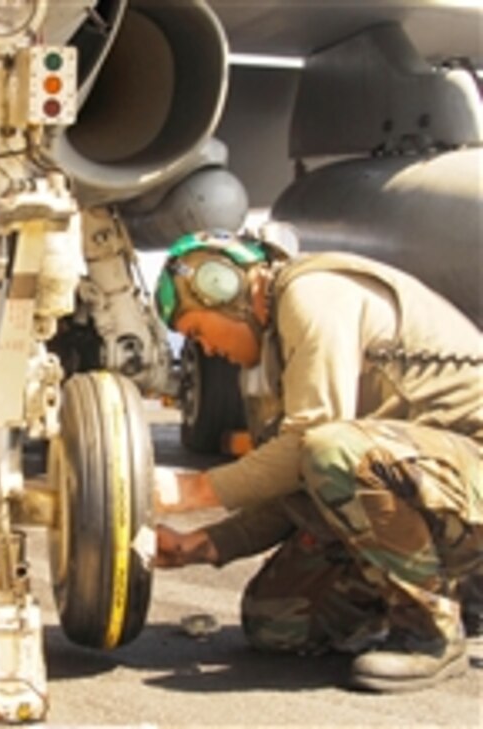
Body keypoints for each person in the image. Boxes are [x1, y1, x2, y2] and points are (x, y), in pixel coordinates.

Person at [151, 229, 482, 693]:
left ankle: (430, 634)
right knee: (278, 621)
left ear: (223, 289)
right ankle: (465, 588)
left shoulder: (312, 293)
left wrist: (196, 490)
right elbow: (295, 484)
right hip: (431, 484)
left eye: (198, 331)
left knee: (333, 448)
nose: (204, 350)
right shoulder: (274, 358)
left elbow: (315, 445)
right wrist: (203, 545)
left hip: (471, 465)